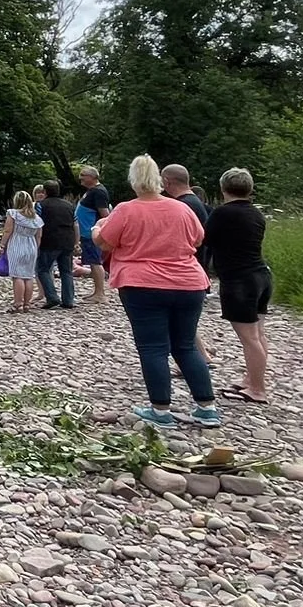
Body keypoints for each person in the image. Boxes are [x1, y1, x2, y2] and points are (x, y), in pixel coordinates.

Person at [95, 155, 220, 429]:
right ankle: (206, 407)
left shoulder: (126, 210)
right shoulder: (181, 209)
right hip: (188, 283)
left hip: (142, 284)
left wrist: (96, 229)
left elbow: (104, 243)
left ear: (133, 180)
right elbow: (198, 238)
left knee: (153, 347)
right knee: (185, 345)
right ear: (159, 180)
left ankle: (160, 410)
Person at [206, 168, 273, 404]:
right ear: (250, 189)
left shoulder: (222, 213)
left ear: (223, 188)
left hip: (239, 281)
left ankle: (257, 389)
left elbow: (203, 239)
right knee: (258, 334)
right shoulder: (257, 214)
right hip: (262, 275)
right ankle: (251, 379)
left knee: (249, 338)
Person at [34, 180, 78, 310]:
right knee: (67, 271)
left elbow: (36, 224)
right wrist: (76, 241)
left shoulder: (40, 205)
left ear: (45, 192)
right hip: (67, 241)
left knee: (42, 270)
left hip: (49, 242)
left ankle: (52, 297)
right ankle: (68, 300)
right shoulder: (69, 206)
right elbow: (76, 224)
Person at [162, 164, 212, 276]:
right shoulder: (195, 203)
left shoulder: (182, 206)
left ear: (166, 181)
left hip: (185, 270)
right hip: (197, 267)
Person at [0, 191, 43, 312]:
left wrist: (2, 244)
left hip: (16, 245)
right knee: (28, 276)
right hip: (31, 247)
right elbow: (38, 237)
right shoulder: (37, 218)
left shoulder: (13, 214)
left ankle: (18, 303)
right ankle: (27, 303)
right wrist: (36, 248)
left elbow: (8, 231)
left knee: (17, 275)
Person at [76, 165, 112, 304]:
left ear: (92, 177)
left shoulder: (99, 192)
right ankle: (96, 291)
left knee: (96, 262)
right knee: (92, 261)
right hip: (86, 233)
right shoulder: (92, 191)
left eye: (83, 175)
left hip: (91, 232)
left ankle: (100, 294)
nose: (80, 178)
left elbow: (105, 214)